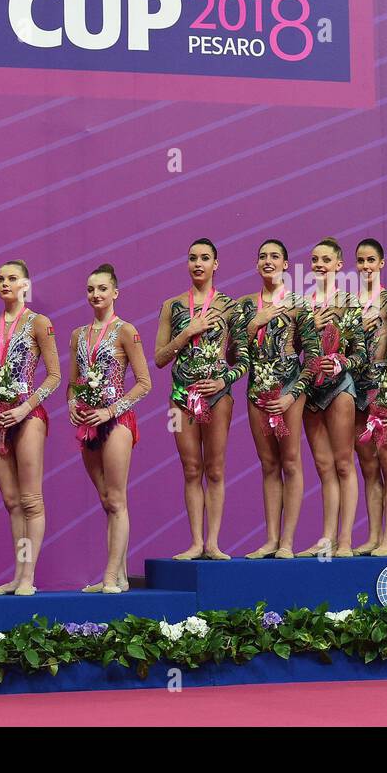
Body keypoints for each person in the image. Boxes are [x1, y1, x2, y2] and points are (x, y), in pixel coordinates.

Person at [154, 239, 249, 560]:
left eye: (205, 258)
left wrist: (224, 379)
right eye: (192, 257)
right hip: (182, 396)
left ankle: (213, 543)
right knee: (191, 468)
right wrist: (185, 333)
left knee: (216, 469)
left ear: (215, 264)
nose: (198, 263)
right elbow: (159, 358)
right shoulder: (173, 306)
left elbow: (244, 361)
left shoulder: (230, 306)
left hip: (218, 395)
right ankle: (195, 542)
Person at [69, 264, 151, 593]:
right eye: (91, 289)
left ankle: (109, 575)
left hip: (116, 421)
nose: (96, 295)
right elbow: (73, 382)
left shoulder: (126, 331)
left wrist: (110, 411)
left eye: (102, 289)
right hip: (88, 424)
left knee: (117, 499)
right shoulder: (78, 335)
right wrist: (73, 406)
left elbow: (144, 383)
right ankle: (119, 574)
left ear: (115, 292)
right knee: (105, 500)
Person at [0, 260, 61, 596]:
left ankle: (29, 575)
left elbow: (55, 376)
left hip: (27, 416)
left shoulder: (39, 323)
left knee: (30, 499)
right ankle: (17, 575)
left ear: (25, 284)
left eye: (12, 278)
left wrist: (25, 407)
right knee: (11, 502)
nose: (5, 284)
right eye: (0, 279)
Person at [239, 240, 312, 559]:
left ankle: (287, 542)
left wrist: (292, 396)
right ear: (257, 265)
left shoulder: (298, 304)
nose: (268, 261)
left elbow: (313, 357)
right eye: (262, 257)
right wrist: (255, 322)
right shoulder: (244, 306)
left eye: (275, 256)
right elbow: (233, 352)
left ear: (285, 264)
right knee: (269, 464)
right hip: (257, 390)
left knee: (291, 461)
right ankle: (270, 538)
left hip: (289, 390)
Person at [301, 238, 364, 557]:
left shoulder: (350, 304)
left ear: (339, 265)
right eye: (315, 260)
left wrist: (341, 361)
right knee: (323, 465)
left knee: (343, 463)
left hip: (340, 387)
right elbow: (291, 346)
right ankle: (326, 538)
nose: (320, 264)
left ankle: (346, 540)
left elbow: (361, 352)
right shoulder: (301, 305)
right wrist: (307, 328)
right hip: (311, 388)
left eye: (326, 259)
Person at [351, 238, 387, 557]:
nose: (366, 266)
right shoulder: (349, 303)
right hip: (355, 388)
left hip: (383, 386)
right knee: (367, 464)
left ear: (382, 264)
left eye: (371, 260)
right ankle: (372, 536)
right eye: (361, 261)